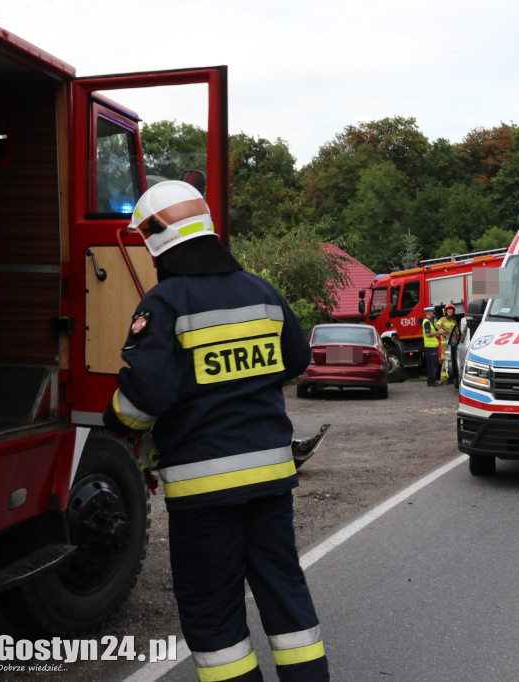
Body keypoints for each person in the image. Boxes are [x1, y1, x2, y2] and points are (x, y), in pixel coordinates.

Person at [102, 180, 329, 682]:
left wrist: (113, 419)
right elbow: (295, 358)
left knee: (213, 607)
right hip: (271, 479)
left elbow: (144, 402)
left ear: (157, 240)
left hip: (204, 492)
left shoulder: (163, 303)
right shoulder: (260, 290)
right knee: (283, 590)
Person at [436, 303, 460, 385]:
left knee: (451, 359)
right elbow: (436, 325)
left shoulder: (454, 320)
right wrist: (443, 333)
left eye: (451, 311)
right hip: (445, 343)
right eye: (448, 311)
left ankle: (449, 377)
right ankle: (443, 378)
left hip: (452, 342)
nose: (450, 313)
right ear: (446, 312)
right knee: (444, 359)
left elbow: (456, 331)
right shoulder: (442, 319)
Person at [422, 304, 442, 386]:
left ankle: (431, 381)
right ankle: (431, 381)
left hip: (430, 346)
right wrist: (437, 333)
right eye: (432, 312)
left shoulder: (428, 321)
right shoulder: (427, 322)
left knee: (431, 364)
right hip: (431, 347)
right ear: (429, 312)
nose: (433, 313)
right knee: (433, 364)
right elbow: (428, 334)